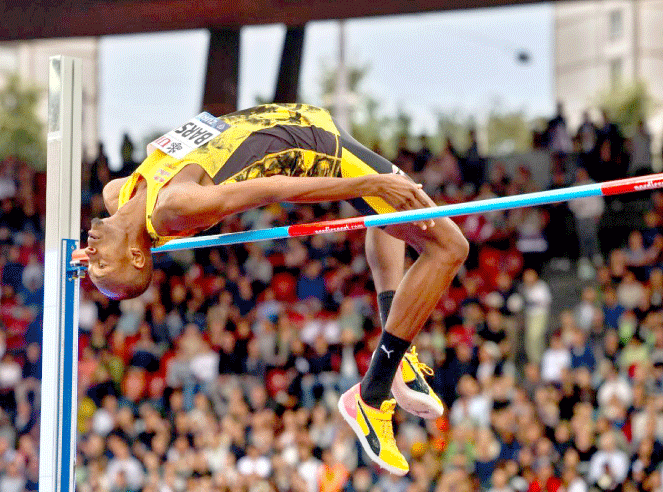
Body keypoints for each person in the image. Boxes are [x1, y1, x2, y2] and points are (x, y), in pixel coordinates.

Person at [83, 104, 469, 475]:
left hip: (293, 120)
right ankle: (372, 393)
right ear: (136, 256)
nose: (94, 252)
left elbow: (134, 225)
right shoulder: (176, 207)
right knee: (449, 247)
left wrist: (103, 257)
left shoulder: (118, 194)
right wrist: (369, 183)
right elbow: (274, 190)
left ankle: (398, 361)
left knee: (384, 213)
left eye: (93, 261)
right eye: (102, 263)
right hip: (314, 147)